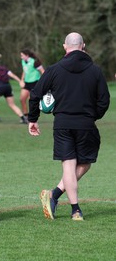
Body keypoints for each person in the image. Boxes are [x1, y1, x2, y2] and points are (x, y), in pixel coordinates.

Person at [28, 32, 110, 221]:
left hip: (63, 124)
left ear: (65, 47)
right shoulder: (95, 71)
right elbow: (104, 100)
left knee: (70, 165)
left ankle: (59, 198)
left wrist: (33, 119)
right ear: (83, 46)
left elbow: (35, 95)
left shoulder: (54, 69)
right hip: (86, 124)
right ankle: (73, 208)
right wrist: (92, 115)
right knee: (84, 163)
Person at [20, 49, 45, 121]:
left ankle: (32, 117)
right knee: (22, 99)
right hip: (27, 83)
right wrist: (22, 80)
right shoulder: (23, 61)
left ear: (27, 55)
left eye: (22, 55)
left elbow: (43, 71)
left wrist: (44, 82)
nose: (21, 57)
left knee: (31, 100)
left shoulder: (35, 62)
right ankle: (25, 116)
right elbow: (24, 71)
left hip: (35, 83)